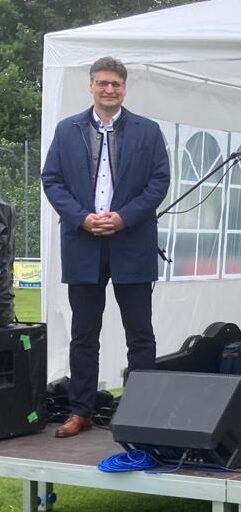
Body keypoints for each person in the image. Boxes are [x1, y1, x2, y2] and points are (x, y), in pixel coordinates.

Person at [41, 56, 170, 438]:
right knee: (84, 334)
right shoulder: (67, 130)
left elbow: (159, 181)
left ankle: (142, 412)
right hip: (83, 244)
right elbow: (52, 179)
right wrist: (81, 217)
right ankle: (80, 411)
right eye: (103, 83)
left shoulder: (148, 131)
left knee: (140, 334)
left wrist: (124, 217)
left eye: (116, 83)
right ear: (91, 86)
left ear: (124, 88)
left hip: (132, 243)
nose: (109, 89)